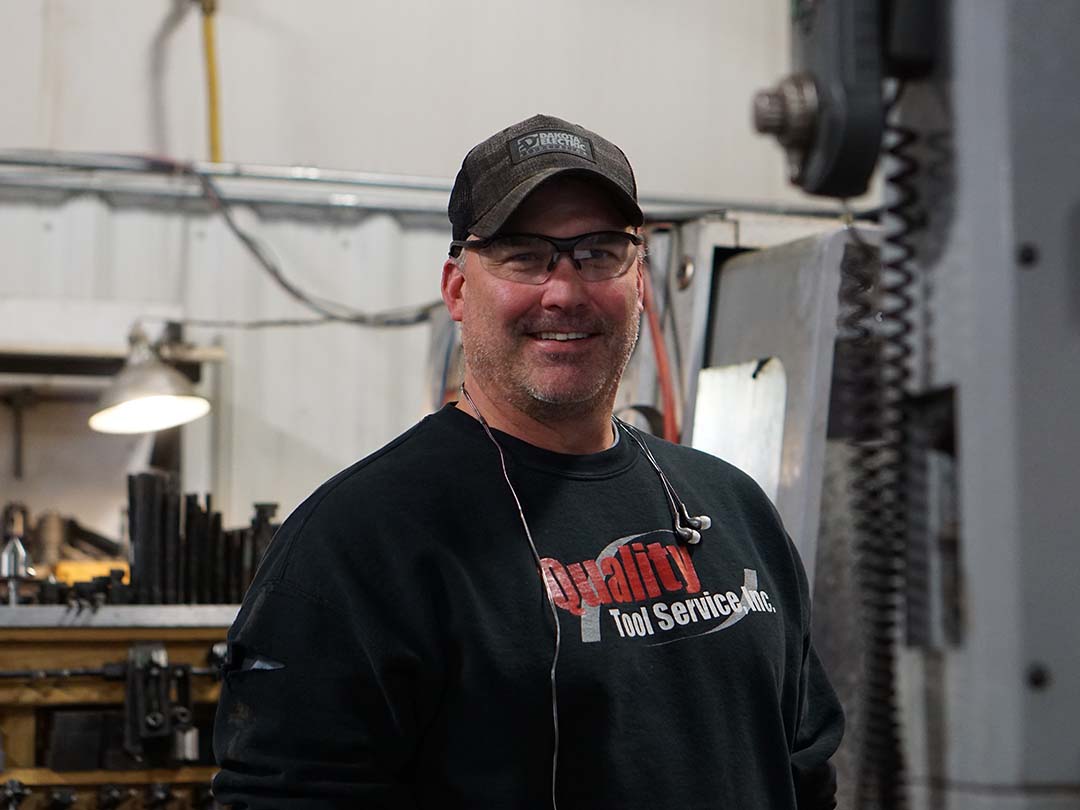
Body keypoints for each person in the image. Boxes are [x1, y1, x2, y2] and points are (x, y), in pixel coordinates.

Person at [212, 114, 844, 809]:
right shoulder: (357, 545)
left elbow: (806, 770)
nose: (565, 291)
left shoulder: (734, 508)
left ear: (639, 283)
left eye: (599, 253)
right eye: (524, 255)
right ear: (457, 288)